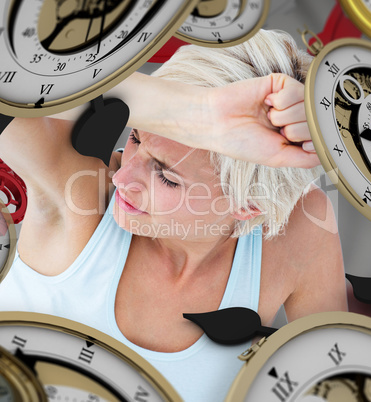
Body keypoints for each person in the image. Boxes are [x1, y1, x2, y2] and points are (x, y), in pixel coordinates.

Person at [0, 30, 346, 401]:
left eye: (166, 176)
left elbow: (342, 384)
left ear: (249, 206)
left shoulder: (302, 226)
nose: (122, 177)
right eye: (135, 138)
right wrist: (193, 111)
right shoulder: (77, 194)